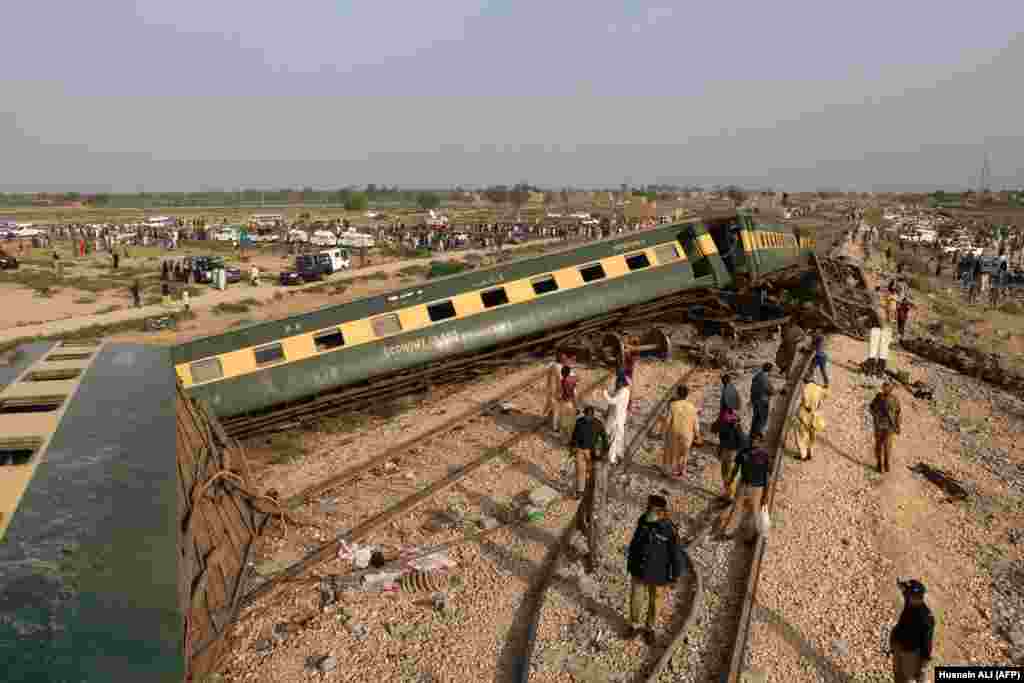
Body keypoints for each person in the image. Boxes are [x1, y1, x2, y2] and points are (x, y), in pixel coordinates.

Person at [624, 495, 683, 645]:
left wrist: (675, 576)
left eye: (653, 510)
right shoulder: (643, 520)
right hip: (639, 569)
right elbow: (634, 544)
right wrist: (630, 565)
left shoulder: (669, 531)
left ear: (662, 512)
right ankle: (634, 624)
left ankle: (649, 628)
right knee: (636, 598)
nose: (649, 512)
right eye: (648, 508)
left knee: (655, 602)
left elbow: (676, 555)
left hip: (659, 574)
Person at [721, 434, 771, 543]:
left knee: (754, 512)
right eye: (752, 439)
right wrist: (731, 480)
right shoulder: (743, 453)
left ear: (761, 442)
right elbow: (736, 468)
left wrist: (766, 494)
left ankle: (751, 536)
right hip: (743, 485)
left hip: (758, 488)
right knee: (737, 507)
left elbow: (767, 476)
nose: (754, 442)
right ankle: (730, 531)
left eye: (757, 440)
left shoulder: (764, 456)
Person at [889, 579, 935, 683]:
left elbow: (927, 643)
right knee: (898, 677)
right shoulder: (910, 601)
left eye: (909, 593)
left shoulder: (926, 618)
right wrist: (901, 585)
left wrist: (923, 664)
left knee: (907, 679)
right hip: (899, 647)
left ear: (916, 596)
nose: (906, 595)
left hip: (911, 654)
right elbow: (904, 589)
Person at [658, 385, 701, 478]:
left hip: (674, 433)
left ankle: (666, 470)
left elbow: (667, 421)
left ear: (677, 394)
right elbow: (696, 424)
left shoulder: (672, 405)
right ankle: (682, 470)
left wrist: (661, 431)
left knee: (669, 452)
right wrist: (698, 436)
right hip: (688, 435)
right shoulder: (692, 407)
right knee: (684, 453)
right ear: (687, 395)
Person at [570, 406, 609, 499]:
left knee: (590, 470)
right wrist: (573, 446)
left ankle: (590, 485)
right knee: (580, 471)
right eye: (585, 415)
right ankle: (580, 491)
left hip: (591, 451)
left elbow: (604, 438)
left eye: (588, 415)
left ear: (592, 416)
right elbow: (574, 434)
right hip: (580, 450)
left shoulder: (598, 424)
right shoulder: (579, 421)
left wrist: (604, 451)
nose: (587, 417)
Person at [716, 374, 743, 501]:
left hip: (728, 450)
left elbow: (722, 439)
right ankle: (729, 492)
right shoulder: (736, 421)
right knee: (731, 472)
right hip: (735, 450)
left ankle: (729, 494)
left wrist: (720, 450)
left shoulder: (725, 422)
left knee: (725, 472)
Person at [869, 381, 901, 473]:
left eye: (886, 387)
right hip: (881, 426)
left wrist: (898, 426)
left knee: (885, 446)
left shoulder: (893, 399)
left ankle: (885, 463)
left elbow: (898, 413)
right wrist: (875, 415)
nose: (884, 389)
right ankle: (880, 464)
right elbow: (871, 407)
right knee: (880, 446)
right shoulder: (879, 397)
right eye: (884, 387)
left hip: (887, 427)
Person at [792, 378, 826, 461]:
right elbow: (823, 398)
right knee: (812, 436)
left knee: (801, 436)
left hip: (804, 416)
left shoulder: (805, 389)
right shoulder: (819, 389)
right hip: (815, 417)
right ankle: (810, 452)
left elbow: (802, 403)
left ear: (805, 381)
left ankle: (803, 455)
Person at [603, 372, 631, 465]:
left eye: (618, 382)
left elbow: (612, 401)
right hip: (619, 418)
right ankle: (618, 456)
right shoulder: (623, 391)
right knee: (618, 439)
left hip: (617, 420)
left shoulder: (623, 392)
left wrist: (605, 393)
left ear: (621, 382)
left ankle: (612, 459)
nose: (616, 383)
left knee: (614, 440)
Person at [749, 363, 775, 440]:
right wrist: (775, 391)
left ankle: (752, 434)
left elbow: (752, 388)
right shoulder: (765, 378)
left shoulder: (757, 376)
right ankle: (757, 434)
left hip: (755, 400)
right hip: (763, 401)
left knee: (756, 417)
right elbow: (769, 391)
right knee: (762, 418)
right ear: (770, 370)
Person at [546, 352, 569, 431]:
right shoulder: (558, 368)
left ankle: (555, 424)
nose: (566, 360)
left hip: (555, 392)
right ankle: (556, 427)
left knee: (557, 410)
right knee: (558, 411)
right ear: (561, 360)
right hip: (557, 393)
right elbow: (558, 382)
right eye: (564, 358)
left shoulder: (553, 366)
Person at [556, 365, 578, 440]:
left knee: (563, 421)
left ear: (562, 373)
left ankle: (564, 439)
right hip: (571, 403)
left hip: (564, 402)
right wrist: (576, 405)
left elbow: (559, 394)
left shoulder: (562, 381)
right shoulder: (573, 380)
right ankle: (571, 437)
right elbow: (574, 394)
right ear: (569, 373)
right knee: (571, 422)